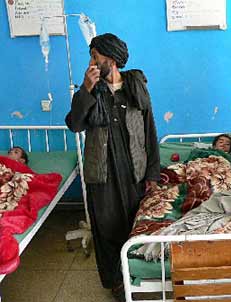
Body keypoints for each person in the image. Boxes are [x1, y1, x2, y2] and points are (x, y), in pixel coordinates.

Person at [65, 33, 160, 301]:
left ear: (111, 59)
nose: (92, 62)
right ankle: (117, 283)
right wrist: (84, 90)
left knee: (135, 225)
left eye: (95, 56)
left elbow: (150, 129)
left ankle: (139, 276)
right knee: (107, 228)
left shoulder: (136, 85)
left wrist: (153, 172)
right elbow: (74, 124)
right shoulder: (89, 90)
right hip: (103, 172)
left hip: (134, 171)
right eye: (91, 56)